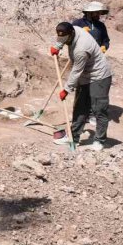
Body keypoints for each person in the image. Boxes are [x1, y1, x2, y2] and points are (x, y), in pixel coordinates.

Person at [50, 22, 113, 151]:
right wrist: (57, 46)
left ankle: (99, 140)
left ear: (71, 34)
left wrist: (67, 89)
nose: (63, 41)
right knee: (80, 107)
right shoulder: (75, 29)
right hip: (85, 75)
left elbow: (76, 72)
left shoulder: (81, 49)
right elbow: (62, 38)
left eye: (65, 39)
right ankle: (74, 137)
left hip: (99, 76)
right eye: (61, 38)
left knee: (99, 109)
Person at [72, 1, 111, 126]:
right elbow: (70, 37)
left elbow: (106, 40)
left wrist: (104, 47)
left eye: (100, 12)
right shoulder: (78, 23)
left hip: (96, 61)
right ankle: (80, 114)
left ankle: (92, 114)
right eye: (97, 12)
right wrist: (79, 32)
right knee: (82, 88)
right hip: (82, 59)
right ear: (90, 12)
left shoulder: (101, 26)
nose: (99, 14)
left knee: (95, 87)